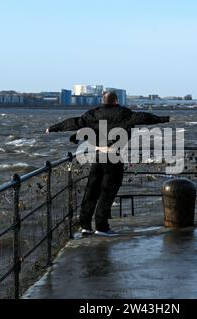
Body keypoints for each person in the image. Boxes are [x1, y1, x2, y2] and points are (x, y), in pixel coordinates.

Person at [46, 91, 170, 237]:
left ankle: (85, 226)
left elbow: (74, 122)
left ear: (102, 100)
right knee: (107, 193)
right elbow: (144, 117)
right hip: (113, 157)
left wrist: (53, 128)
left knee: (91, 192)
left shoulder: (93, 113)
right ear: (116, 100)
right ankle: (101, 226)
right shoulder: (124, 113)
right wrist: (164, 119)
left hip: (98, 156)